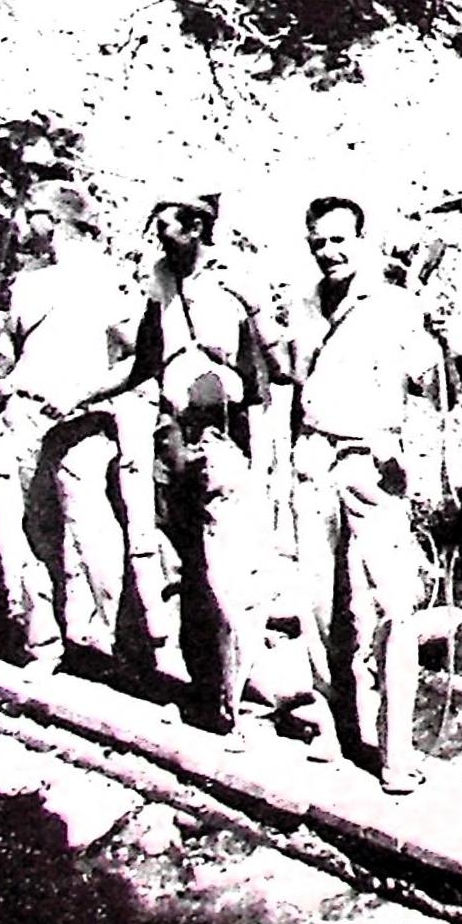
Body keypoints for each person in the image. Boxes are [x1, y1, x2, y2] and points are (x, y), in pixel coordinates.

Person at [76, 192, 276, 746]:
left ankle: (240, 704)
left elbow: (267, 374)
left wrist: (262, 457)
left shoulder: (234, 281)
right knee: (187, 572)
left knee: (229, 577)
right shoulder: (160, 280)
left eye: (167, 228)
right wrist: (83, 393)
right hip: (172, 441)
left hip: (224, 441)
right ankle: (205, 693)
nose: (158, 238)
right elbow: (144, 361)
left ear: (197, 227)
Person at [289, 196, 448, 794]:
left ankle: (395, 749)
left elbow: (431, 391)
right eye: (318, 243)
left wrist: (421, 466)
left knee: (395, 607)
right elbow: (292, 382)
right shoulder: (304, 303)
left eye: (339, 240)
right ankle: (333, 725)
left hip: (373, 466)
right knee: (319, 605)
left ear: (362, 240)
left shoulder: (397, 305)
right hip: (313, 458)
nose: (329, 252)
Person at [0, 180, 147, 668]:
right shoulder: (28, 281)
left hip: (80, 423)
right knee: (31, 535)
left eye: (28, 214)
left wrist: (82, 393)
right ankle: (44, 644)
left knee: (94, 535)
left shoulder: (105, 278)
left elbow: (141, 356)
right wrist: (0, 367)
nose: (19, 225)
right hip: (23, 417)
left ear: (49, 221)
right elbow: (9, 346)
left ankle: (130, 655)